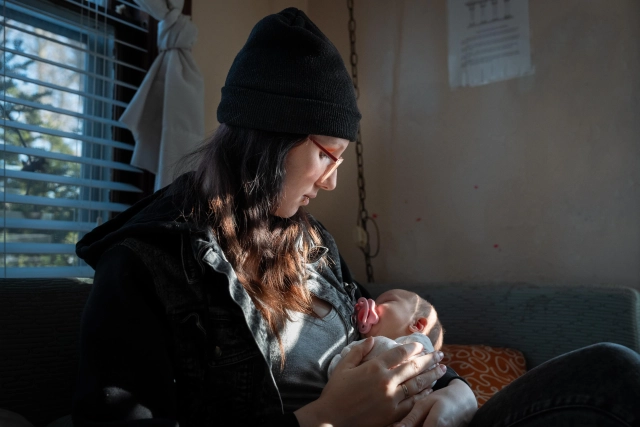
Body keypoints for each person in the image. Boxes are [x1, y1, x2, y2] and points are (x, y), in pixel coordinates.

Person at [73, 7, 640, 427]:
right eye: (325, 154)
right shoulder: (143, 270)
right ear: (270, 135)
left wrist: (455, 392)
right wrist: (325, 417)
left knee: (612, 371)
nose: (332, 179)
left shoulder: (311, 244)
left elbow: (396, 341)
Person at [328, 289, 444, 378]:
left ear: (416, 325)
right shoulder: (362, 344)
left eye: (388, 301)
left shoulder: (420, 347)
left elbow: (336, 368)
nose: (372, 305)